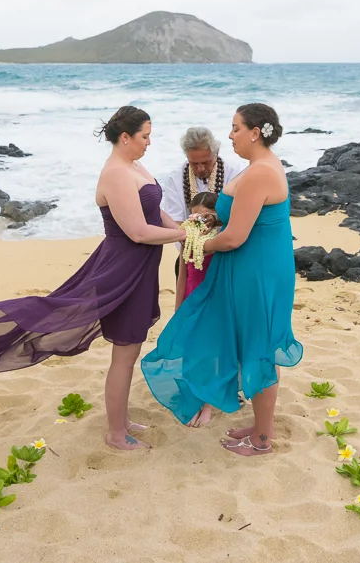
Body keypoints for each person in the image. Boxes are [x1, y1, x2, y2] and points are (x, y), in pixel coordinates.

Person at [0, 106, 183, 452]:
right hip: (121, 269)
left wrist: (179, 229)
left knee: (130, 347)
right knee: (124, 353)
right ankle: (115, 434)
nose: (149, 142)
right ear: (125, 137)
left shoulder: (134, 165)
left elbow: (154, 210)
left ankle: (122, 420)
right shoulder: (115, 173)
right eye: (145, 136)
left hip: (140, 269)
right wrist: (183, 236)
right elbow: (138, 232)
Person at [140, 103, 303, 457]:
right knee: (254, 345)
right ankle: (262, 426)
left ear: (255, 132)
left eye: (235, 128)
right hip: (253, 266)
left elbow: (235, 238)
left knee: (260, 349)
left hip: (256, 271)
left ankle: (261, 440)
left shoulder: (260, 172)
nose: (230, 135)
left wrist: (196, 245)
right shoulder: (258, 167)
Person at [159, 126, 245, 308]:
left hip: (228, 258)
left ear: (216, 153)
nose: (200, 168)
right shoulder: (175, 178)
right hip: (189, 256)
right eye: (194, 163)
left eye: (205, 162)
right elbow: (175, 222)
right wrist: (192, 239)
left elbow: (241, 216)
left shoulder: (235, 172)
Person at [177, 191, 221, 305]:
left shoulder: (223, 241)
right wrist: (177, 309)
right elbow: (182, 278)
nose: (201, 223)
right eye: (196, 219)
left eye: (205, 218)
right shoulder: (188, 241)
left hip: (216, 298)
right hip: (191, 296)